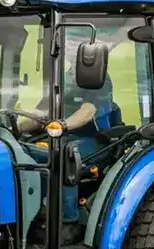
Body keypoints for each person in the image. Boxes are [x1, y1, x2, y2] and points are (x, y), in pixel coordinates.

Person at [17, 65, 116, 235]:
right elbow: (41, 114)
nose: (70, 51)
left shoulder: (98, 78)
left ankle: (69, 221)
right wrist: (14, 128)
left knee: (64, 155)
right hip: (62, 135)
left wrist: (63, 125)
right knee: (21, 148)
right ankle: (32, 212)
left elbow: (88, 111)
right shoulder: (63, 78)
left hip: (95, 138)